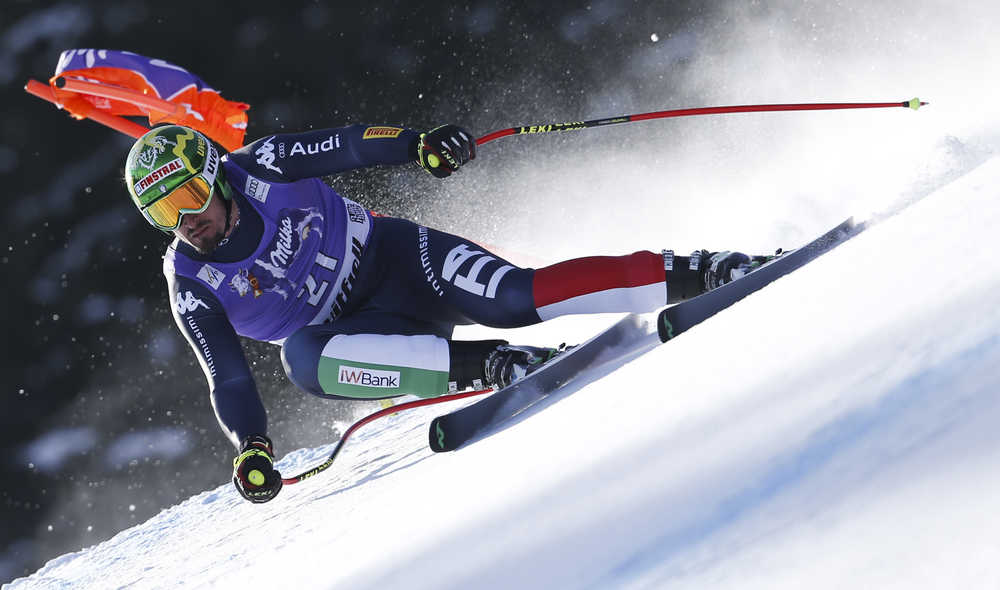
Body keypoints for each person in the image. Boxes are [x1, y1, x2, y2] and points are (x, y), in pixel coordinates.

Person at [124, 123, 756, 503]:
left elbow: (345, 146)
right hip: (369, 336)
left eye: (188, 196)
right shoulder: (190, 280)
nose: (188, 221)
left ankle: (701, 270)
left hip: (400, 262)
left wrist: (418, 144)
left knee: (515, 297)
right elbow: (228, 377)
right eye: (163, 215)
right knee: (303, 360)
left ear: (215, 176)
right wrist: (251, 447)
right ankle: (494, 366)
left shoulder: (260, 165)